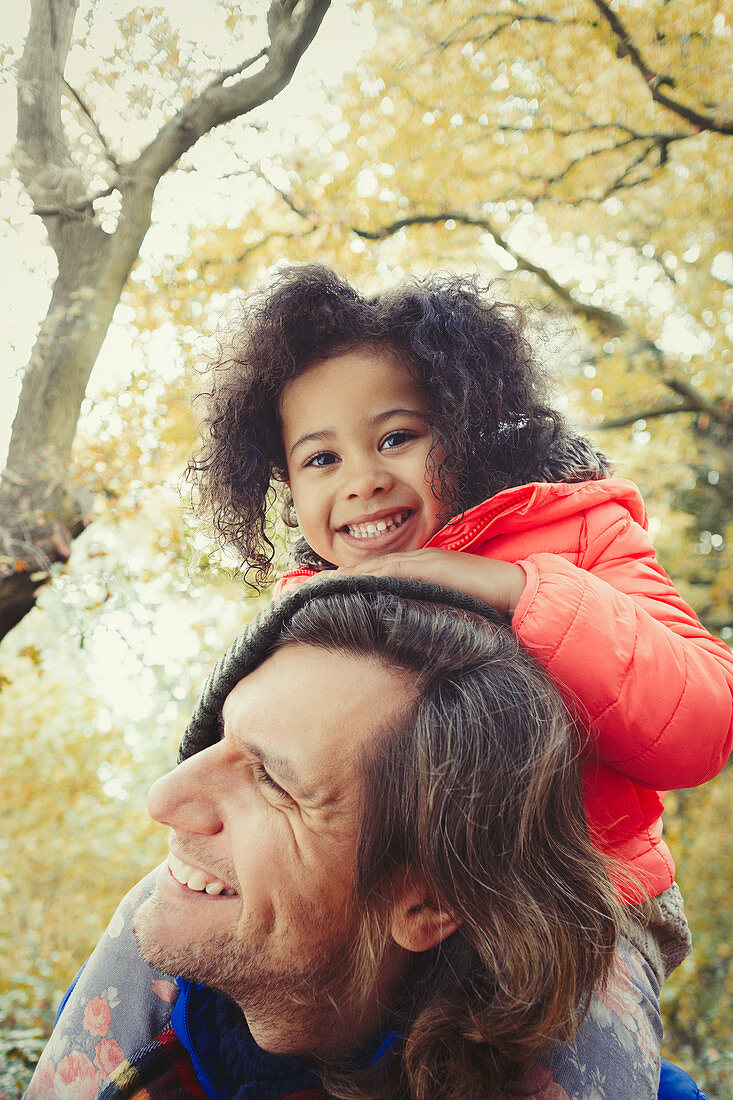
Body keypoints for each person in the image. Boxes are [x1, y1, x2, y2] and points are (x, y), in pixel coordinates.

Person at [187, 263, 732, 925]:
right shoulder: (306, 611)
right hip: (394, 931)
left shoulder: (576, 533)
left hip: (585, 910)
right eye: (321, 459)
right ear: (286, 489)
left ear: (463, 430)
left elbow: (702, 728)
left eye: (396, 439)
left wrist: (516, 589)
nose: (362, 480)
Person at [27, 578, 661, 1100]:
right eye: (221, 735)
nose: (163, 800)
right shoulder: (158, 987)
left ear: (429, 904)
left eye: (274, 781)